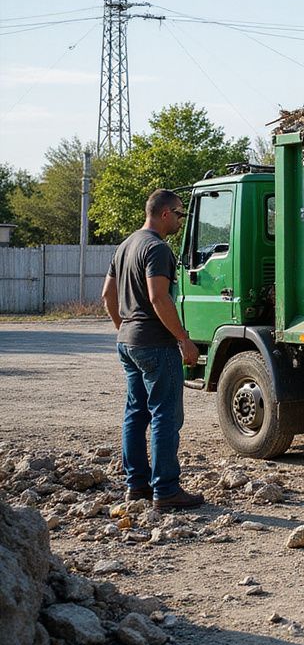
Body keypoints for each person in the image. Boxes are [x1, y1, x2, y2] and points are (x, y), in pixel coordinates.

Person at [101, 189, 204, 513]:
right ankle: (167, 490)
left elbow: (107, 295)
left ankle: (137, 485)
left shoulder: (126, 245)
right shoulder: (157, 249)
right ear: (164, 214)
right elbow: (159, 297)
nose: (180, 220)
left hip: (129, 342)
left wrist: (125, 328)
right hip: (155, 345)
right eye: (179, 214)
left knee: (136, 413)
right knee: (165, 415)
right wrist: (183, 339)